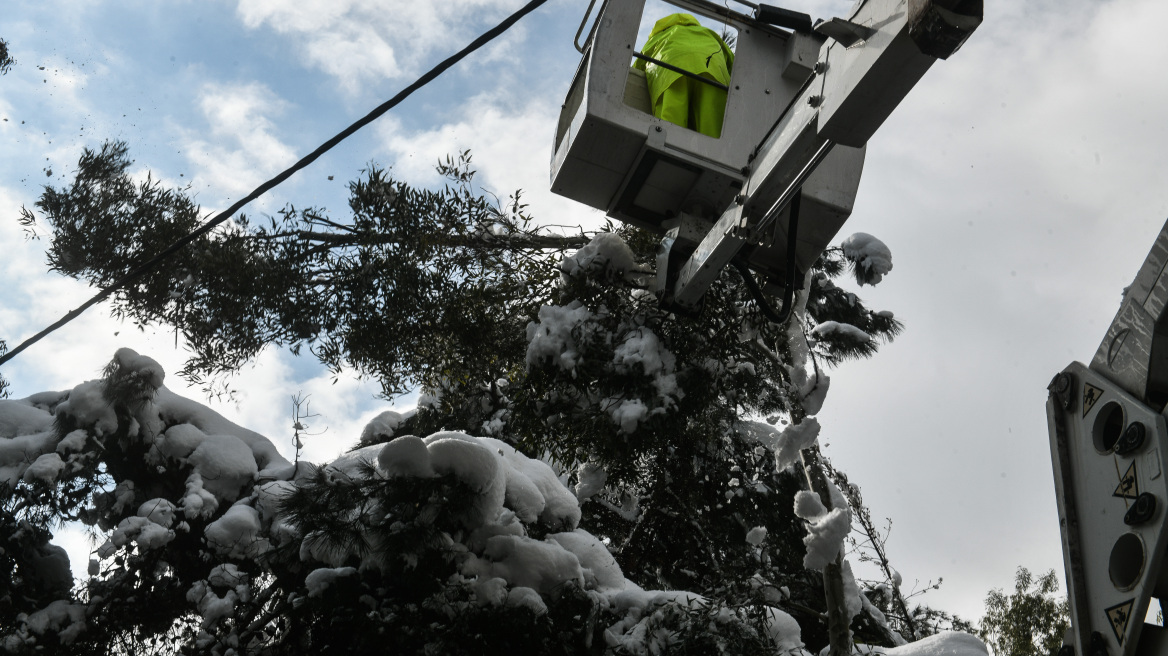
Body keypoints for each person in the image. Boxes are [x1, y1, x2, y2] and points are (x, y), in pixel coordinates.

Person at [633, 13, 735, 138]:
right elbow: (733, 65)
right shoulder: (709, 33)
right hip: (712, 75)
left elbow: (633, 73)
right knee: (713, 127)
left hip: (670, 75)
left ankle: (668, 153)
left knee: (670, 129)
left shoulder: (658, 37)